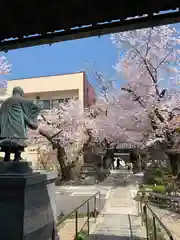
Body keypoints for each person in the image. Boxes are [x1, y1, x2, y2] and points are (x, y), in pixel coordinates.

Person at [0, 86, 40, 162]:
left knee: (6, 144)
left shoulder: (4, 102)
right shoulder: (21, 100)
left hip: (5, 129)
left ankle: (7, 156)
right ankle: (17, 156)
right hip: (17, 128)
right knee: (18, 143)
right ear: (20, 92)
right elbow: (34, 108)